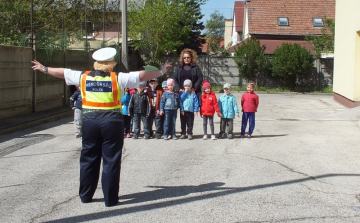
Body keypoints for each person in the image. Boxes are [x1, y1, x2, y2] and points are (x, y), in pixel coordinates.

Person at [31, 47, 172, 207]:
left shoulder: (83, 76)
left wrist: (44, 68)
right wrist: (161, 71)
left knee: (88, 158)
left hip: (90, 120)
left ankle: (85, 196)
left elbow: (63, 72)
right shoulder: (117, 77)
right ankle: (110, 199)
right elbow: (141, 75)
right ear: (111, 63)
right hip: (112, 121)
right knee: (111, 160)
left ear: (96, 63)